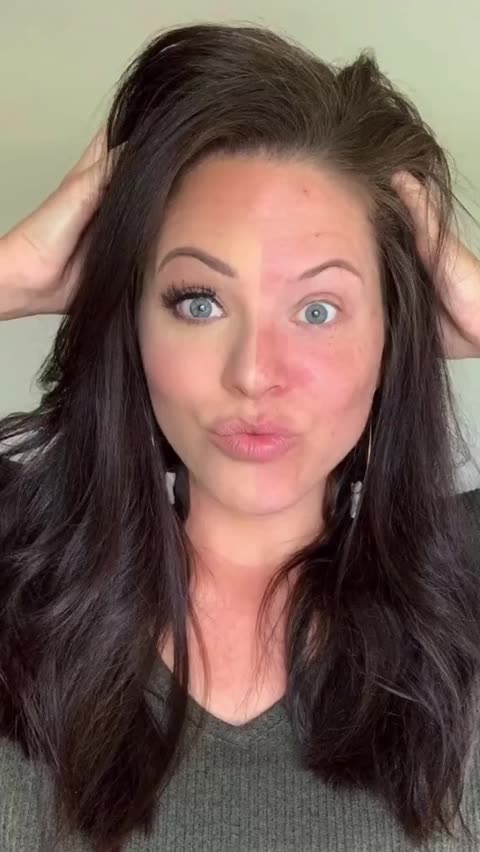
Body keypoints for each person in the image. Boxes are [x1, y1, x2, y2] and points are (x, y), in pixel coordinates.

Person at [1, 21, 480, 852]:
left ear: (393, 334)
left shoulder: (462, 593)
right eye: (200, 301)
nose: (256, 372)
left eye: (318, 310)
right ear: (134, 323)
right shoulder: (20, 569)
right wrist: (16, 271)